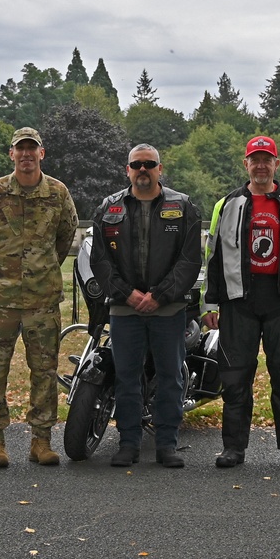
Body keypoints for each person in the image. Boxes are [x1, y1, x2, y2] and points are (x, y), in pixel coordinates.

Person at [0, 127, 78, 468]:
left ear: (42, 154)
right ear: (11, 154)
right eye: (20, 150)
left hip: (42, 301)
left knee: (43, 372)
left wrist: (44, 269)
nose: (26, 155)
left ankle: (41, 442)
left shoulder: (58, 193)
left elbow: (65, 235)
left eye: (32, 149)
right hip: (2, 301)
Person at [202, 135, 280, 469]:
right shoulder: (226, 204)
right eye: (256, 160)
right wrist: (210, 304)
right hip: (239, 301)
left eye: (268, 160)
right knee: (235, 377)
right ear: (246, 164)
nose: (262, 166)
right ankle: (233, 448)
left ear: (276, 164)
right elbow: (212, 256)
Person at [89, 144, 202, 467]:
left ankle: (166, 444)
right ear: (127, 170)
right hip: (125, 309)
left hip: (168, 309)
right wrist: (129, 294)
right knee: (126, 376)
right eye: (136, 164)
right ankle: (128, 443)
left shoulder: (182, 207)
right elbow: (100, 260)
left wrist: (159, 295)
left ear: (159, 168)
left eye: (149, 164)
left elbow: (189, 260)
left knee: (169, 376)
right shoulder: (109, 208)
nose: (142, 170)